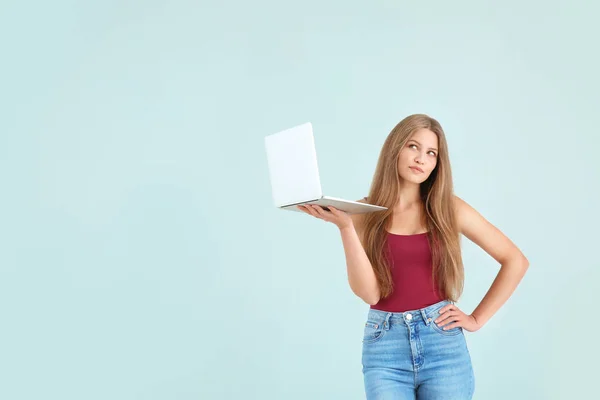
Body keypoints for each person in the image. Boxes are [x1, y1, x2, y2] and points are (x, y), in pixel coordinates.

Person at [297, 114, 529, 400]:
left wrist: (476, 319)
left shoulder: (449, 209)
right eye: (413, 147)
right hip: (385, 347)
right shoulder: (360, 213)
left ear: (437, 163)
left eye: (431, 153)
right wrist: (345, 227)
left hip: (442, 346)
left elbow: (515, 260)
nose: (421, 158)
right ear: (395, 148)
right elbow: (370, 293)